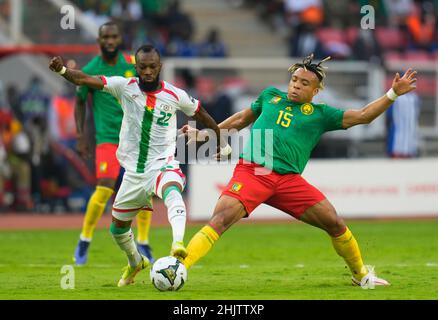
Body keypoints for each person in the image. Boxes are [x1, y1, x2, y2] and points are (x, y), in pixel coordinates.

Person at [181, 54, 417, 289]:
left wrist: (393, 93)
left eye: (304, 83)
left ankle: (360, 274)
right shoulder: (270, 96)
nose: (296, 85)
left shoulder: (321, 114)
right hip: (254, 172)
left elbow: (364, 116)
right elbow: (241, 119)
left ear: (315, 91)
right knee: (221, 218)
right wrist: (204, 135)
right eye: (294, 80)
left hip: (289, 181)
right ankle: (178, 268)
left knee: (334, 223)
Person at [49, 44, 230, 286]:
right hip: (133, 172)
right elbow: (84, 79)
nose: (147, 71)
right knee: (117, 229)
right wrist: (62, 70)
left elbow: (203, 115)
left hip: (163, 164)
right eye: (142, 67)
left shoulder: (176, 95)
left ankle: (178, 243)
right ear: (136, 67)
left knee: (173, 190)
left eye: (152, 67)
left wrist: (220, 141)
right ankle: (136, 262)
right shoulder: (124, 87)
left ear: (160, 67)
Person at [73, 22, 154, 266]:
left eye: (114, 36)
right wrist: (80, 135)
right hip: (107, 138)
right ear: (99, 40)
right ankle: (84, 240)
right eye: (105, 37)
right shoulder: (90, 69)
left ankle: (143, 242)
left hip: (136, 137)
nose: (110, 41)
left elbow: (151, 89)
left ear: (120, 39)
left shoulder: (133, 63)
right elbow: (79, 101)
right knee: (105, 186)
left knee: (143, 189)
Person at [386, 90, 420, 158]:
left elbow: (388, 114)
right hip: (405, 132)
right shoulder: (414, 97)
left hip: (399, 133)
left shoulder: (414, 97)